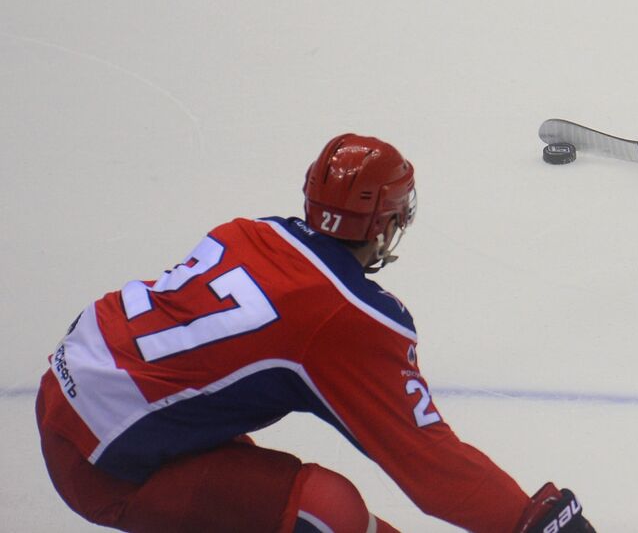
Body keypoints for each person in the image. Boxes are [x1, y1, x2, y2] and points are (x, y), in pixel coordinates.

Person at [36, 133, 596, 533]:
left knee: (290, 505)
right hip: (102, 463)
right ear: (387, 226)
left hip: (71, 389)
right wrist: (528, 522)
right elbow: (428, 463)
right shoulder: (345, 316)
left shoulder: (248, 231)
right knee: (325, 512)